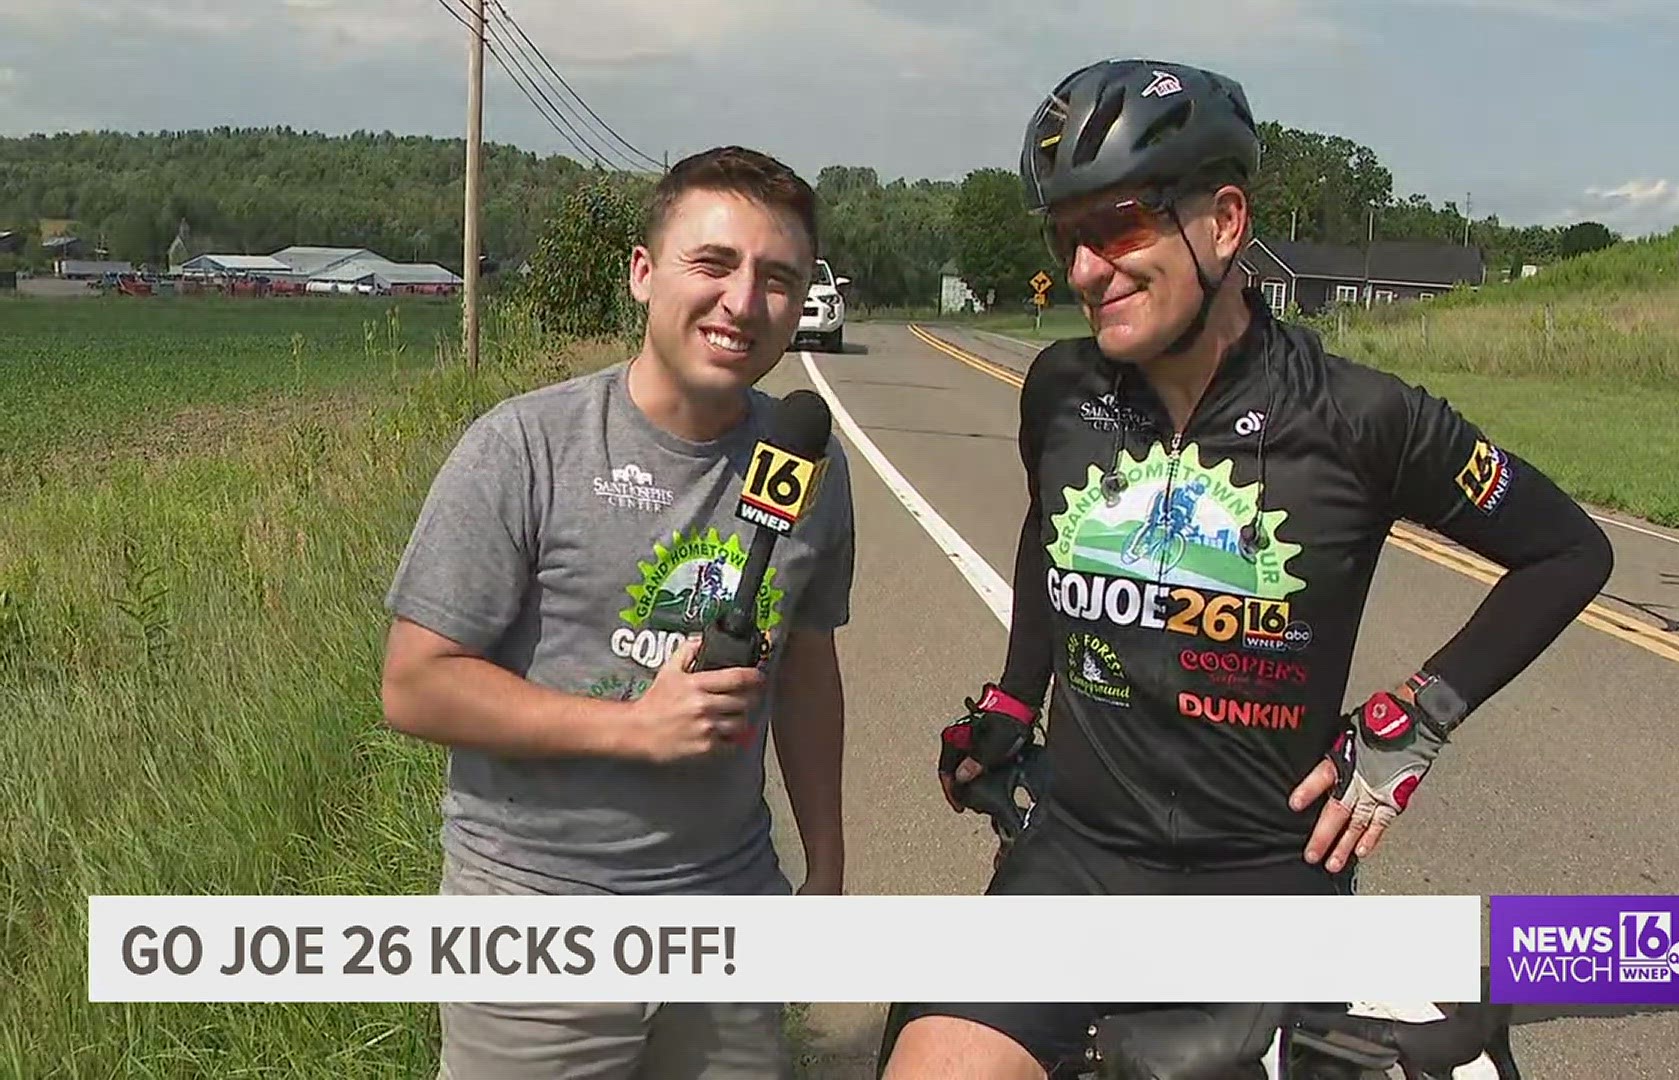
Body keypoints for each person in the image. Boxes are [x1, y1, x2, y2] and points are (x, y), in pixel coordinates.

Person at [879, 59, 1613, 1079]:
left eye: (1123, 225)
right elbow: (1053, 529)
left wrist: (1419, 717)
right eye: (1068, 236)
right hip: (1079, 864)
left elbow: (1569, 551)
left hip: (1268, 879)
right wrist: (1014, 697)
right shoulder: (1060, 389)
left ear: (1224, 223)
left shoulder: (1361, 420)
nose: (1089, 269)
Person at [380, 145, 855, 1080]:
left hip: (727, 913)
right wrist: (633, 730)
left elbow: (805, 668)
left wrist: (829, 868)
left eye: (776, 278)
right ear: (643, 274)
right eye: (712, 264)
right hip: (534, 921)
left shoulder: (807, 469)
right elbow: (414, 686)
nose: (741, 302)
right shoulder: (524, 447)